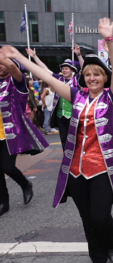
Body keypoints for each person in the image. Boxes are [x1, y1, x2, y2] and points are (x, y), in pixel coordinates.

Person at [1, 17, 113, 263]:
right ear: (84, 79)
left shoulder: (112, 98)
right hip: (76, 170)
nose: (92, 78)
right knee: (88, 220)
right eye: (88, 75)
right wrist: (20, 57)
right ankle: (98, 257)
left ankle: (112, 239)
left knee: (100, 217)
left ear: (104, 78)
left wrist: (109, 40)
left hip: (102, 169)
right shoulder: (76, 96)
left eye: (97, 74)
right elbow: (46, 77)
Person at [0, 52, 49, 217]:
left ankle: (25, 184)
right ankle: (3, 202)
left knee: (7, 166)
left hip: (10, 134)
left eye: (3, 63)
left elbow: (13, 67)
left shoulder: (16, 83)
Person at [26, 44, 84, 150]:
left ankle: (76, 159)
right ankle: (66, 158)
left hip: (74, 114)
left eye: (66, 68)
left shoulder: (76, 80)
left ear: (72, 70)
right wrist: (34, 56)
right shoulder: (59, 79)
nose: (64, 70)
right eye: (63, 69)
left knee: (76, 138)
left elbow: (84, 69)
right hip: (60, 114)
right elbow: (45, 69)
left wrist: (79, 55)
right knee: (63, 139)